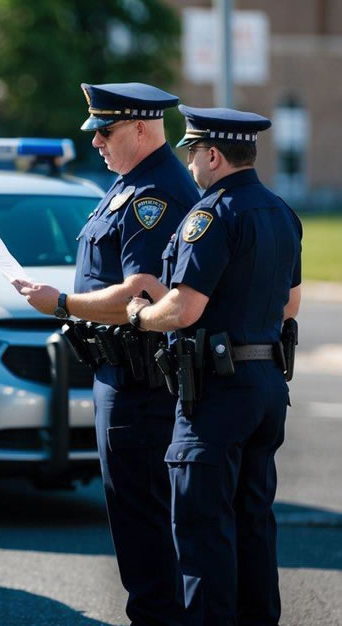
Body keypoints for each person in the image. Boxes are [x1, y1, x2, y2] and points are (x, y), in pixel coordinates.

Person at [14, 82, 198, 626]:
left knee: (147, 528)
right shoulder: (130, 183)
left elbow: (141, 293)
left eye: (106, 131)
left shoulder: (155, 194)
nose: (96, 142)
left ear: (141, 128)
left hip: (141, 385)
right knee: (135, 523)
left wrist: (62, 303)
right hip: (119, 376)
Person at [126, 105, 301, 626]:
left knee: (203, 532)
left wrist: (139, 316)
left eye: (194, 152)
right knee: (253, 524)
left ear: (214, 156)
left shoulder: (211, 216)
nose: (191, 163)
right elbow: (290, 305)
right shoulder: (281, 212)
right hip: (267, 384)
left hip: (217, 395)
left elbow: (184, 309)